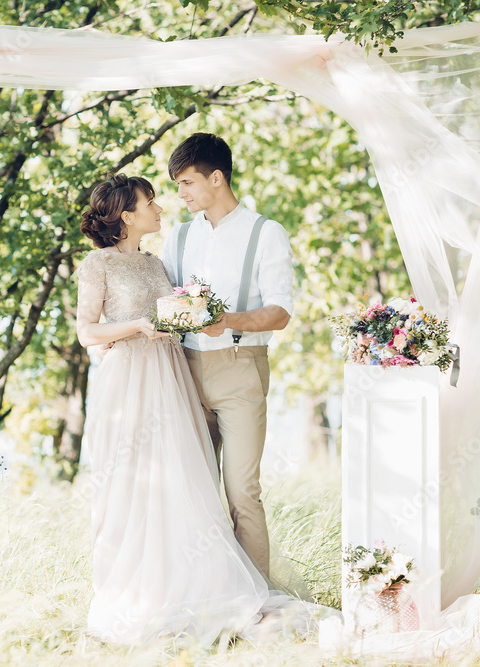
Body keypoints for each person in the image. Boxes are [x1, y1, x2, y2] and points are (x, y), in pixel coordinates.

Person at [75, 174, 330, 646]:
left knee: (182, 480)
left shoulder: (156, 262)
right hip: (129, 381)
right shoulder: (97, 264)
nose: (161, 206)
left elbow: (181, 310)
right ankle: (141, 592)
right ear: (126, 215)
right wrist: (137, 325)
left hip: (172, 374)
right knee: (133, 481)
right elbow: (86, 332)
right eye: (150, 202)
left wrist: (202, 316)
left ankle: (201, 587)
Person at [161, 133, 294, 579]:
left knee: (242, 492)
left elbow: (280, 312)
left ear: (216, 178)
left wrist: (228, 320)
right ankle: (205, 591)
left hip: (241, 369)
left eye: (187, 183)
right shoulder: (178, 237)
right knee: (193, 493)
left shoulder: (266, 232)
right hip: (184, 371)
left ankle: (258, 597)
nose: (181, 194)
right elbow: (166, 300)